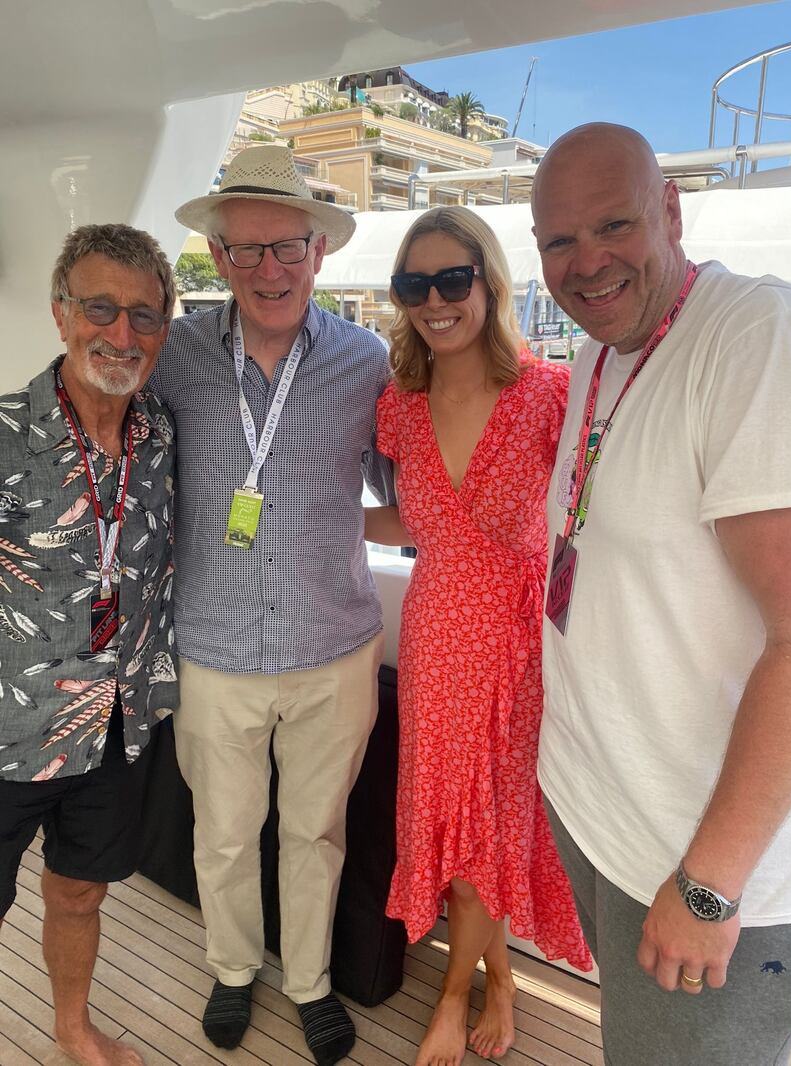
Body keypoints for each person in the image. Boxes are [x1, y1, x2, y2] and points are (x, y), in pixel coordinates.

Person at [531, 122, 791, 1065]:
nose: (588, 262)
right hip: (606, 813)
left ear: (672, 210)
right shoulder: (604, 349)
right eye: (559, 241)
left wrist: (711, 885)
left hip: (704, 869)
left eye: (614, 225)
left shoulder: (754, 335)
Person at [149, 145, 392, 1066]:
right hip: (211, 646)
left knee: (316, 832)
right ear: (214, 255)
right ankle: (231, 966)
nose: (267, 270)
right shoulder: (171, 356)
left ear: (318, 253)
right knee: (221, 833)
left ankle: (312, 984)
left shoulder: (365, 361)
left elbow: (406, 487)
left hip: (333, 645)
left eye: (286, 247)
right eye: (243, 251)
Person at [365, 206, 592, 1066]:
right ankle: (490, 983)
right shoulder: (401, 404)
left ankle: (460, 994)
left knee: (490, 833)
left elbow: (591, 519)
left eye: (452, 279)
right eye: (414, 285)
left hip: (515, 649)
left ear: (489, 283)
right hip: (434, 641)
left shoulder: (548, 395)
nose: (435, 300)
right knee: (456, 834)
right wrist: (304, 519)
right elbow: (417, 519)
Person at [0, 223, 178, 1066]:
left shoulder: (165, 439)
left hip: (118, 724)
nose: (122, 333)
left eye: (143, 315)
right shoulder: (3, 435)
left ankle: (72, 1030)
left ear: (166, 329)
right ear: (62, 314)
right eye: (101, 308)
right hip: (10, 727)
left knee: (79, 894)